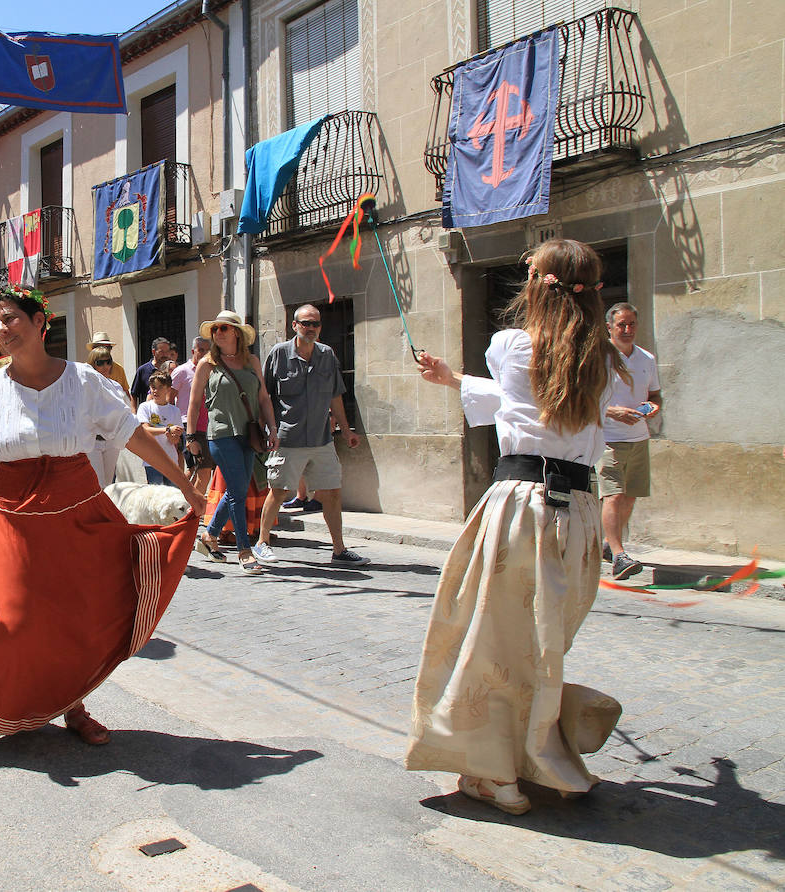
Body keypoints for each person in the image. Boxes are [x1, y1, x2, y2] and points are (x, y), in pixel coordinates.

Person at [406, 239, 629, 816]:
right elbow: (546, 405)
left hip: (522, 506)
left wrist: (456, 379)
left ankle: (490, 770)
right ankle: (532, 752)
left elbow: (519, 400)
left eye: (529, 272)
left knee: (492, 641)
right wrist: (456, 380)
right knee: (540, 645)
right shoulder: (602, 357)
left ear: (540, 286)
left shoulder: (510, 345)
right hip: (578, 515)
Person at [0, 285, 204, 745]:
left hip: (77, 509)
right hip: (15, 515)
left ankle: (74, 706)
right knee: (18, 621)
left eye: (12, 319)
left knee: (80, 616)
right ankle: (16, 701)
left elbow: (130, 433)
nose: (3, 329)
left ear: (41, 322)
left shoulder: (83, 380)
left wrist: (183, 485)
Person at [253, 304, 369, 567]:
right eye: (306, 323)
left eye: (316, 324)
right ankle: (262, 543)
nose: (311, 328)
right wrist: (267, 430)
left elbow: (335, 395)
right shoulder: (279, 354)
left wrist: (347, 429)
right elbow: (265, 397)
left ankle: (339, 550)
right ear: (294, 325)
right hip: (288, 438)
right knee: (279, 491)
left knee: (332, 492)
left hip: (321, 440)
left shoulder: (327, 355)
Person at [188, 310, 278, 574]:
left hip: (249, 434)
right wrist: (192, 437)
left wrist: (272, 428)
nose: (218, 333)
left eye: (223, 329)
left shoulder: (252, 361)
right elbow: (194, 403)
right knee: (238, 493)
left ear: (236, 333)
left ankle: (210, 534)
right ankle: (244, 551)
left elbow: (263, 398)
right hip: (221, 435)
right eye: (215, 329)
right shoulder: (207, 364)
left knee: (236, 490)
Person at [597, 303, 661, 581]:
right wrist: (613, 412)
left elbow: (656, 395)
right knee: (613, 495)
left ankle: (610, 546)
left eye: (632, 324)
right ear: (609, 328)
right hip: (608, 438)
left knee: (630, 496)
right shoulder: (599, 357)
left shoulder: (646, 358)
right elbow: (584, 398)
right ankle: (620, 556)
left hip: (638, 437)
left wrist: (653, 407)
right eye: (621, 325)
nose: (627, 330)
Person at [85, 344, 135, 485]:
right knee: (98, 484)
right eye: (100, 362)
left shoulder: (116, 386)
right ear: (92, 364)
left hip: (111, 442)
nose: (106, 366)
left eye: (108, 361)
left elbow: (125, 409)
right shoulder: (85, 386)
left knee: (107, 485)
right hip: (92, 441)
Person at [171, 336, 214, 492]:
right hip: (189, 426)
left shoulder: (212, 370)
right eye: (200, 350)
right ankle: (182, 499)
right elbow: (169, 398)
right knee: (198, 469)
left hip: (210, 426)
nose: (204, 354)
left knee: (202, 470)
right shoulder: (181, 371)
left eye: (207, 350)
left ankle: (188, 502)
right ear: (192, 351)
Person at [136, 371, 183, 486]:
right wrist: (167, 430)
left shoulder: (175, 410)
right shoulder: (145, 407)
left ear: (168, 389)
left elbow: (175, 441)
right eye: (153, 387)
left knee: (172, 496)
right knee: (156, 497)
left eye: (160, 387)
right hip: (152, 460)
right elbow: (144, 429)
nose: (155, 391)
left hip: (171, 460)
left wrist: (172, 437)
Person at [131, 336, 176, 405]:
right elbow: (134, 394)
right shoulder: (143, 370)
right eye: (162, 352)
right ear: (154, 352)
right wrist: (134, 413)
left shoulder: (173, 370)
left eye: (167, 351)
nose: (165, 355)